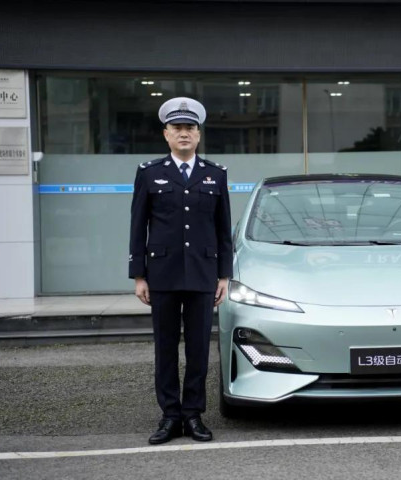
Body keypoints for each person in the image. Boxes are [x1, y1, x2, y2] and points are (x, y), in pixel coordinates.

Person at [129, 97, 232, 444]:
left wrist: (224, 275)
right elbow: (138, 225)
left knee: (199, 348)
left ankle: (193, 415)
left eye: (190, 128)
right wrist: (139, 275)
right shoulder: (149, 173)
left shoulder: (215, 174)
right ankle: (170, 416)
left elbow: (223, 228)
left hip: (203, 273)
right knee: (166, 348)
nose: (184, 133)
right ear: (166, 134)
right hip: (162, 273)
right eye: (177, 128)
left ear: (198, 134)